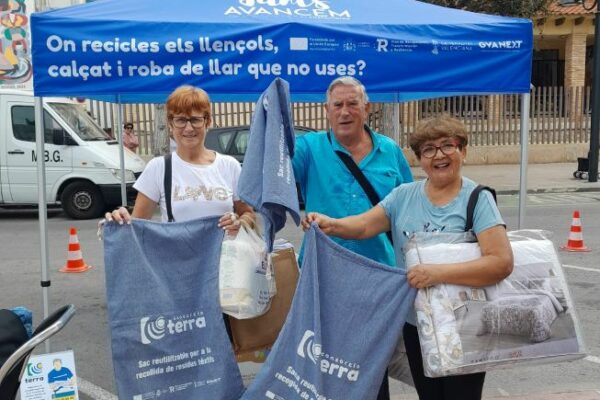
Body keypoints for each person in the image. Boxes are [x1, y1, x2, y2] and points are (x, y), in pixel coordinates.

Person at [303, 114, 514, 400]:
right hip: (418, 324)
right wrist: (331, 224)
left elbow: (500, 262)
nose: (439, 155)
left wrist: (436, 274)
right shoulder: (404, 196)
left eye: (447, 146)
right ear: (419, 159)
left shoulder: (477, 198)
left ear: (462, 151)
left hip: (464, 324)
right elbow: (364, 225)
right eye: (428, 149)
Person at [292, 76, 413, 400]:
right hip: (324, 276)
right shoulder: (309, 148)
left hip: (380, 276)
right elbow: (277, 179)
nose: (345, 112)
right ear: (327, 111)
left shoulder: (390, 151)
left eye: (352, 104)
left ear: (367, 108)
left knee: (376, 361)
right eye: (338, 105)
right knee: (328, 360)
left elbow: (409, 211)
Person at [105, 85, 255, 233]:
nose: (189, 128)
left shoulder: (229, 166)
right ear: (171, 124)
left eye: (195, 120)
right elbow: (136, 227)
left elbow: (248, 214)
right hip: (176, 257)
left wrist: (240, 222)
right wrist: (120, 220)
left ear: (207, 122)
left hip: (224, 256)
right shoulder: (158, 168)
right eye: (181, 120)